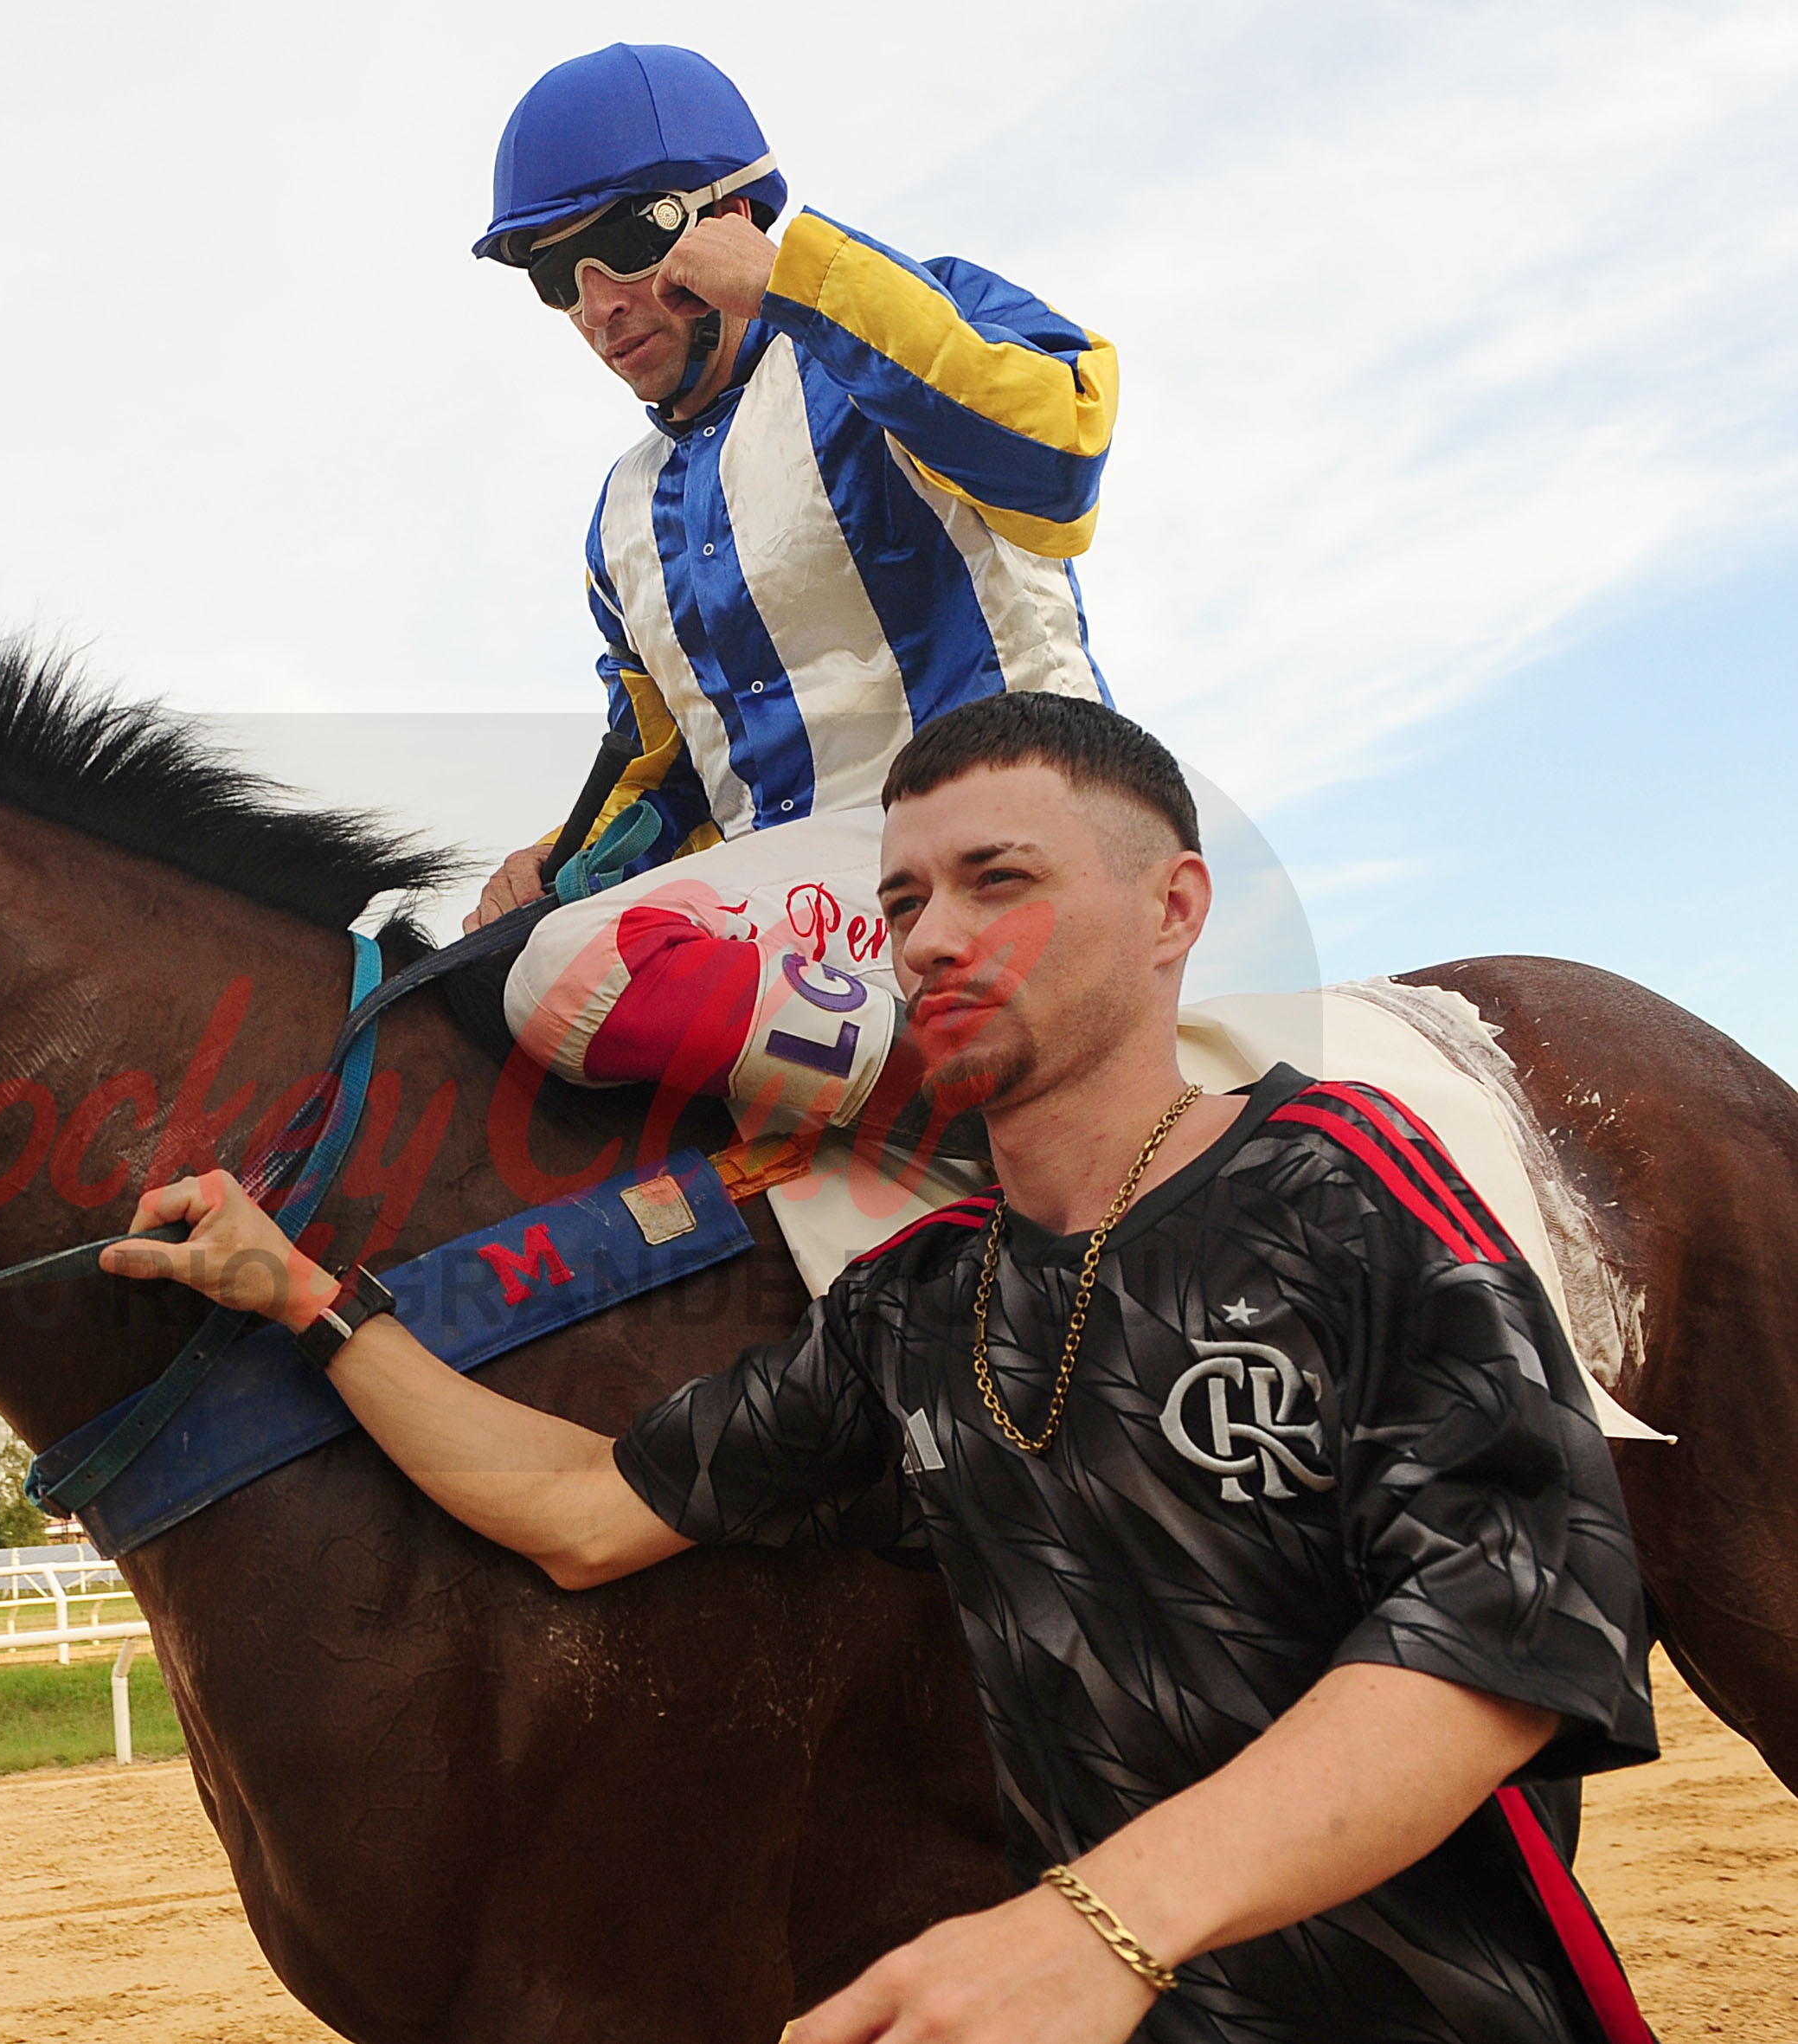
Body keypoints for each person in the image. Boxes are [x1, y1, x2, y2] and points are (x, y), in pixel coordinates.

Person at [102, 693, 1655, 2041]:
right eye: (903, 900)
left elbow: (1510, 1628)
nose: (934, 938)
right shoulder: (915, 1305)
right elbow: (581, 1507)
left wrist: (1100, 1925)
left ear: (1173, 909)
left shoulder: (1348, 1181)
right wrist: (310, 1300)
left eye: (999, 880)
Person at [466, 44, 1120, 1162]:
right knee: (493, 982)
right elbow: (666, 773)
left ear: (724, 215)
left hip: (1011, 836)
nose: (597, 305)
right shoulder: (619, 516)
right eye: (555, 277)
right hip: (811, 916)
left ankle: (990, 1127)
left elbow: (1059, 454)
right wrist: (555, 859)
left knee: (566, 973)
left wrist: (795, 277)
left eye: (620, 247)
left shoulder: (904, 321)